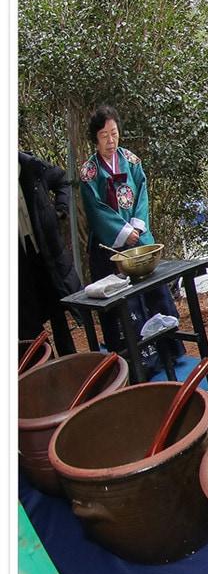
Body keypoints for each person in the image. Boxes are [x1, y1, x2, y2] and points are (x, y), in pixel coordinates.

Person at [77, 104, 185, 373]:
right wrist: (122, 232)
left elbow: (142, 195)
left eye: (114, 133)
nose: (111, 141)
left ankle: (169, 350)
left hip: (140, 242)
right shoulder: (89, 172)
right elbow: (95, 209)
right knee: (124, 305)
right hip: (109, 248)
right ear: (95, 138)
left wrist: (137, 226)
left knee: (154, 294)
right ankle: (138, 362)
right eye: (104, 135)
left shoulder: (132, 161)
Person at [19, 150, 81, 354]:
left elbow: (62, 180)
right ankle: (43, 369)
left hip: (46, 253)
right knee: (27, 321)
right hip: (19, 262)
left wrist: (60, 210)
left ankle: (70, 362)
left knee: (58, 312)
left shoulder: (31, 167)